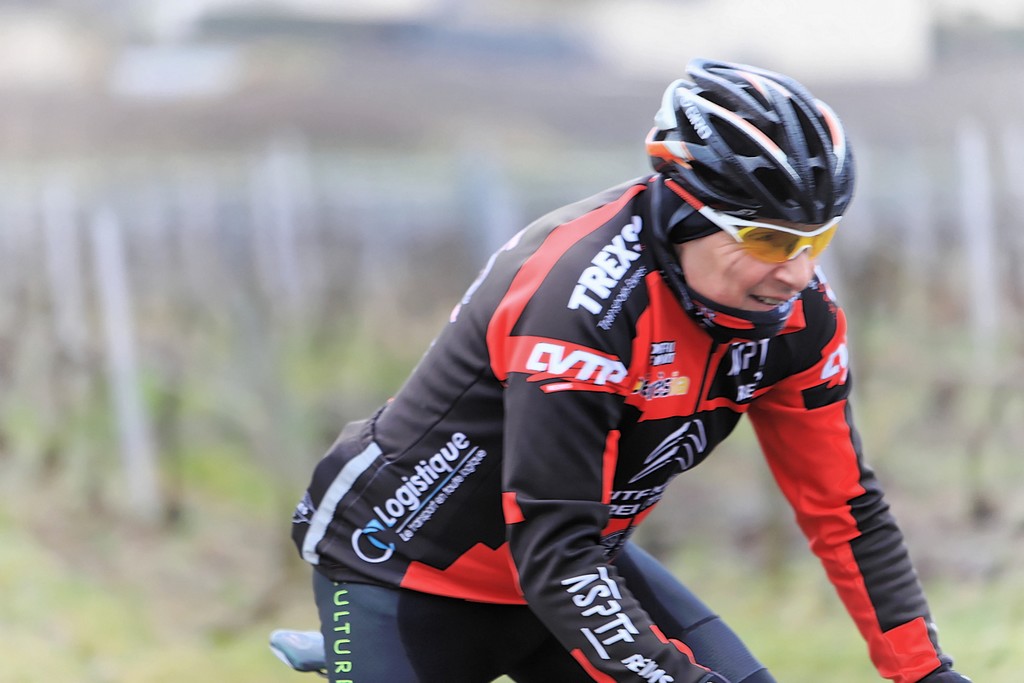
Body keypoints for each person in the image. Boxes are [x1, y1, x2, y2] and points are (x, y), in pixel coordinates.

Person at [290, 58, 970, 683]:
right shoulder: (579, 303)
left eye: (816, 240)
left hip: (577, 568)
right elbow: (555, 553)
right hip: (403, 572)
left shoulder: (801, 320)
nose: (796, 273)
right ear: (684, 213)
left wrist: (925, 672)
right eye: (768, 240)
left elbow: (844, 508)